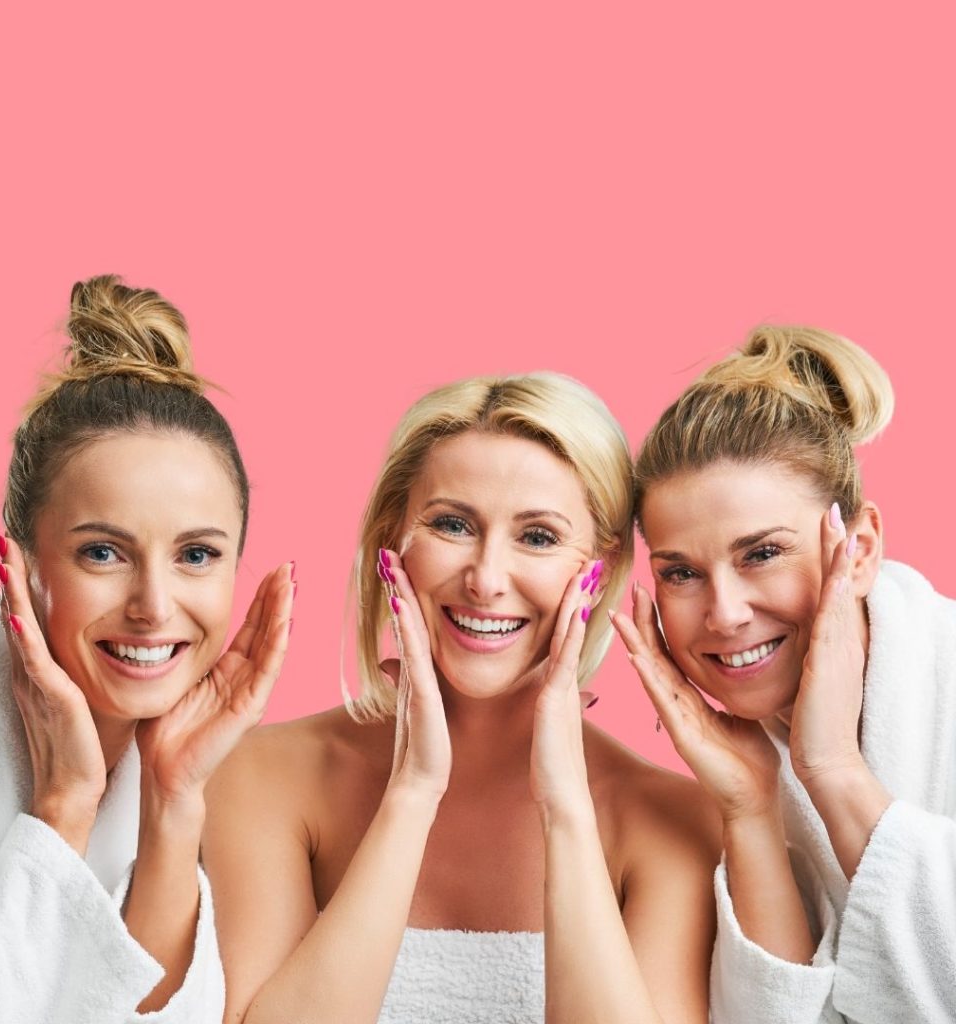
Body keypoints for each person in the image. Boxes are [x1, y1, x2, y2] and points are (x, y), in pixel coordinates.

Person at [204, 372, 720, 1024]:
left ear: (602, 569)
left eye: (537, 537)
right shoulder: (259, 774)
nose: (485, 579)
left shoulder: (675, 824)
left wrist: (567, 813)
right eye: (452, 524)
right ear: (391, 541)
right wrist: (414, 791)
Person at [0, 276, 293, 1023]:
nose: (155, 607)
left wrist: (172, 803)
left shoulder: (222, 772)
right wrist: (61, 809)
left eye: (197, 555)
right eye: (103, 553)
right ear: (23, 566)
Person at [613, 325, 955, 1024]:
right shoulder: (742, 767)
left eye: (761, 553)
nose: (725, 613)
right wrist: (750, 813)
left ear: (857, 549)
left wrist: (833, 769)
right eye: (681, 573)